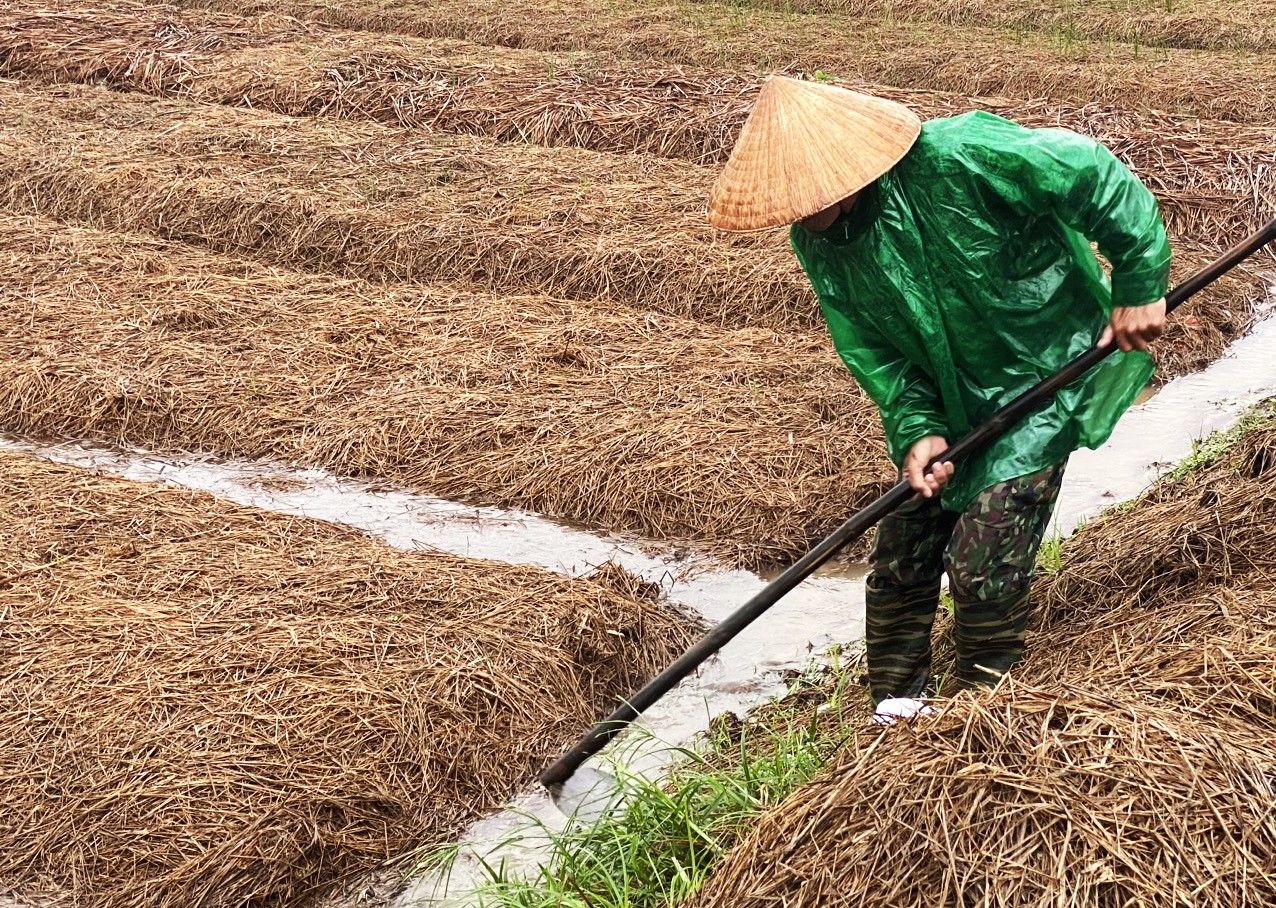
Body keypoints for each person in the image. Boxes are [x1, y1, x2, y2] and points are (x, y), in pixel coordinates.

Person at [707, 76, 1170, 716]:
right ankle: (896, 710)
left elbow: (1092, 173)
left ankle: (984, 712)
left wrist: (1140, 279)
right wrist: (917, 427)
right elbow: (874, 347)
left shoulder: (962, 154)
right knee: (902, 551)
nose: (801, 212)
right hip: (954, 398)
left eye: (808, 196)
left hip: (1044, 367)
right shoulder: (821, 240)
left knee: (983, 559)